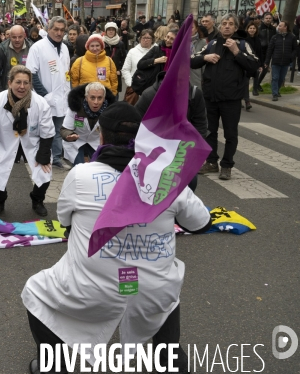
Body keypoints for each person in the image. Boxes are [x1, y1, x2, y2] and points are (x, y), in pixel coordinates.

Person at [22, 102, 212, 374]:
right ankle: (171, 361)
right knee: (166, 294)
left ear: (101, 135)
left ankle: (54, 364)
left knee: (36, 291)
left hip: (91, 289)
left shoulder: (80, 175)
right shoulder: (168, 179)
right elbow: (201, 224)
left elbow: (64, 220)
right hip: (152, 289)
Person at [0, 65, 54, 217]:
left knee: (44, 173)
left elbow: (47, 131)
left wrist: (43, 153)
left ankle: (37, 200)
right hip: (6, 144)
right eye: (18, 82)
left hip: (33, 144)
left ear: (30, 84)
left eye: (26, 83)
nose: (22, 87)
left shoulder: (40, 103)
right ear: (10, 83)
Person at [192, 14, 259, 181]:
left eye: (230, 24)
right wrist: (204, 57)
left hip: (232, 98)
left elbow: (254, 65)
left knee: (230, 134)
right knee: (209, 132)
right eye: (224, 24)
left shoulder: (243, 44)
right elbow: (192, 60)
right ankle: (212, 162)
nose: (227, 26)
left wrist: (236, 52)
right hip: (211, 97)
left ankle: (227, 165)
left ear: (236, 28)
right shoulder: (212, 43)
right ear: (220, 26)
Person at [26, 16, 71, 169]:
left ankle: (57, 158)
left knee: (58, 130)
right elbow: (31, 74)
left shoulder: (65, 48)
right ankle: (40, 157)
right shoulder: (37, 48)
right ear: (48, 29)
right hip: (44, 98)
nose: (59, 33)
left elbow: (66, 74)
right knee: (43, 130)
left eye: (62, 30)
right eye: (55, 29)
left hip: (61, 98)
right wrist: (45, 94)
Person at [61, 82, 116, 165]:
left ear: (104, 98)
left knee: (99, 167)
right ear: (86, 98)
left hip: (96, 141)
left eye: (100, 98)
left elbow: (112, 133)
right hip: (76, 141)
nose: (96, 102)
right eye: (92, 98)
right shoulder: (75, 108)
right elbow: (64, 129)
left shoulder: (110, 111)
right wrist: (69, 135)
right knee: (79, 167)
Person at [0, 25, 32, 98]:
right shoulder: (3, 49)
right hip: (8, 93)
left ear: (24, 35)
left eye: (20, 37)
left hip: (28, 93)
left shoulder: (32, 48)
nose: (17, 40)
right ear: (9, 36)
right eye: (14, 37)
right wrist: (0, 94)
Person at [134, 29, 178, 94]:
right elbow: (140, 64)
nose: (168, 40)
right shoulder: (156, 49)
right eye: (167, 37)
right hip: (154, 87)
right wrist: (156, 60)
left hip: (170, 87)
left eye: (172, 39)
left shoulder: (177, 54)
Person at [265, 20, 297, 102]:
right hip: (276, 61)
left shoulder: (292, 37)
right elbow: (270, 50)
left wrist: (291, 57)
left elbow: (295, 49)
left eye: (280, 25)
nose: (278, 27)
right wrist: (267, 62)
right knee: (275, 78)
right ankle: (274, 94)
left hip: (286, 62)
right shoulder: (275, 37)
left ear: (285, 27)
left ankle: (277, 90)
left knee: (281, 78)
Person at [121, 29, 154, 105]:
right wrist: (131, 84)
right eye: (144, 37)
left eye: (148, 38)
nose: (146, 40)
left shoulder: (156, 51)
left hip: (151, 89)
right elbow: (125, 69)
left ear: (152, 39)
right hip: (135, 89)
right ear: (140, 39)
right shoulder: (133, 51)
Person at [103, 22, 128, 98]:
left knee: (114, 96)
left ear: (115, 31)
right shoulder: (101, 43)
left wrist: (120, 71)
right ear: (106, 31)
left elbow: (124, 59)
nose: (111, 31)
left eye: (112, 30)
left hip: (116, 74)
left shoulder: (120, 44)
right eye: (109, 30)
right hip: (103, 73)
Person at [245, 22, 262, 106]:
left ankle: (255, 89)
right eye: (250, 28)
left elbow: (259, 53)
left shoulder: (258, 39)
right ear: (247, 29)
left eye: (254, 28)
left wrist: (260, 65)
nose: (252, 30)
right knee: (245, 82)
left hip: (255, 62)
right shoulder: (244, 39)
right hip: (246, 63)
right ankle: (247, 100)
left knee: (256, 75)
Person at [190, 20, 208, 90]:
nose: (189, 30)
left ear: (196, 29)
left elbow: (204, 62)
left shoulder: (202, 42)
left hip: (196, 78)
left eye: (191, 27)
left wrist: (204, 78)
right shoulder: (180, 43)